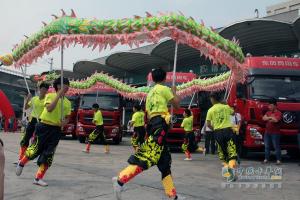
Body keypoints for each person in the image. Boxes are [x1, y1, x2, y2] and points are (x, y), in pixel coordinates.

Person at [112, 68, 181, 200]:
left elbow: (149, 114)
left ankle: (172, 195)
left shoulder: (150, 93)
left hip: (155, 125)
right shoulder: (164, 89)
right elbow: (177, 104)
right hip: (160, 126)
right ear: (165, 78)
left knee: (165, 162)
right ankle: (120, 179)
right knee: (148, 157)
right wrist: (174, 92)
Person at [16, 77, 71, 187]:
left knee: (49, 154)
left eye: (67, 85)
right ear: (58, 86)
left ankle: (38, 178)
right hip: (44, 126)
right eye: (63, 85)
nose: (66, 87)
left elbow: (68, 117)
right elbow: (50, 108)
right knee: (35, 149)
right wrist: (58, 95)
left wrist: (63, 123)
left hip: (55, 130)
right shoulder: (50, 96)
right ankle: (22, 162)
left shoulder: (68, 102)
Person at [206, 92, 237, 182]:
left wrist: (215, 128)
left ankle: (228, 174)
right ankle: (231, 175)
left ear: (212, 99)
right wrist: (226, 104)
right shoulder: (226, 107)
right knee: (231, 153)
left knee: (223, 155)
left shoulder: (210, 110)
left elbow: (208, 124)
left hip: (218, 132)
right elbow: (233, 113)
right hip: (228, 131)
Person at [18, 82, 49, 162]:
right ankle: (21, 157)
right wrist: (28, 98)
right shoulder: (34, 99)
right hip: (32, 120)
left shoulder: (47, 100)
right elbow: (26, 107)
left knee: (37, 140)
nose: (44, 91)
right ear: (39, 89)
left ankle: (36, 156)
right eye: (42, 89)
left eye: (46, 89)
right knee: (25, 139)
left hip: (41, 121)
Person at [262, 99, 282, 165]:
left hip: (275, 133)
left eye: (271, 105)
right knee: (267, 146)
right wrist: (271, 117)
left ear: (275, 106)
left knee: (276, 147)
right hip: (267, 132)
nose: (269, 107)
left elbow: (276, 120)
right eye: (269, 105)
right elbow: (263, 118)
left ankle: (278, 160)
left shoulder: (279, 113)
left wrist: (269, 118)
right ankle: (266, 159)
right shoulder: (268, 112)